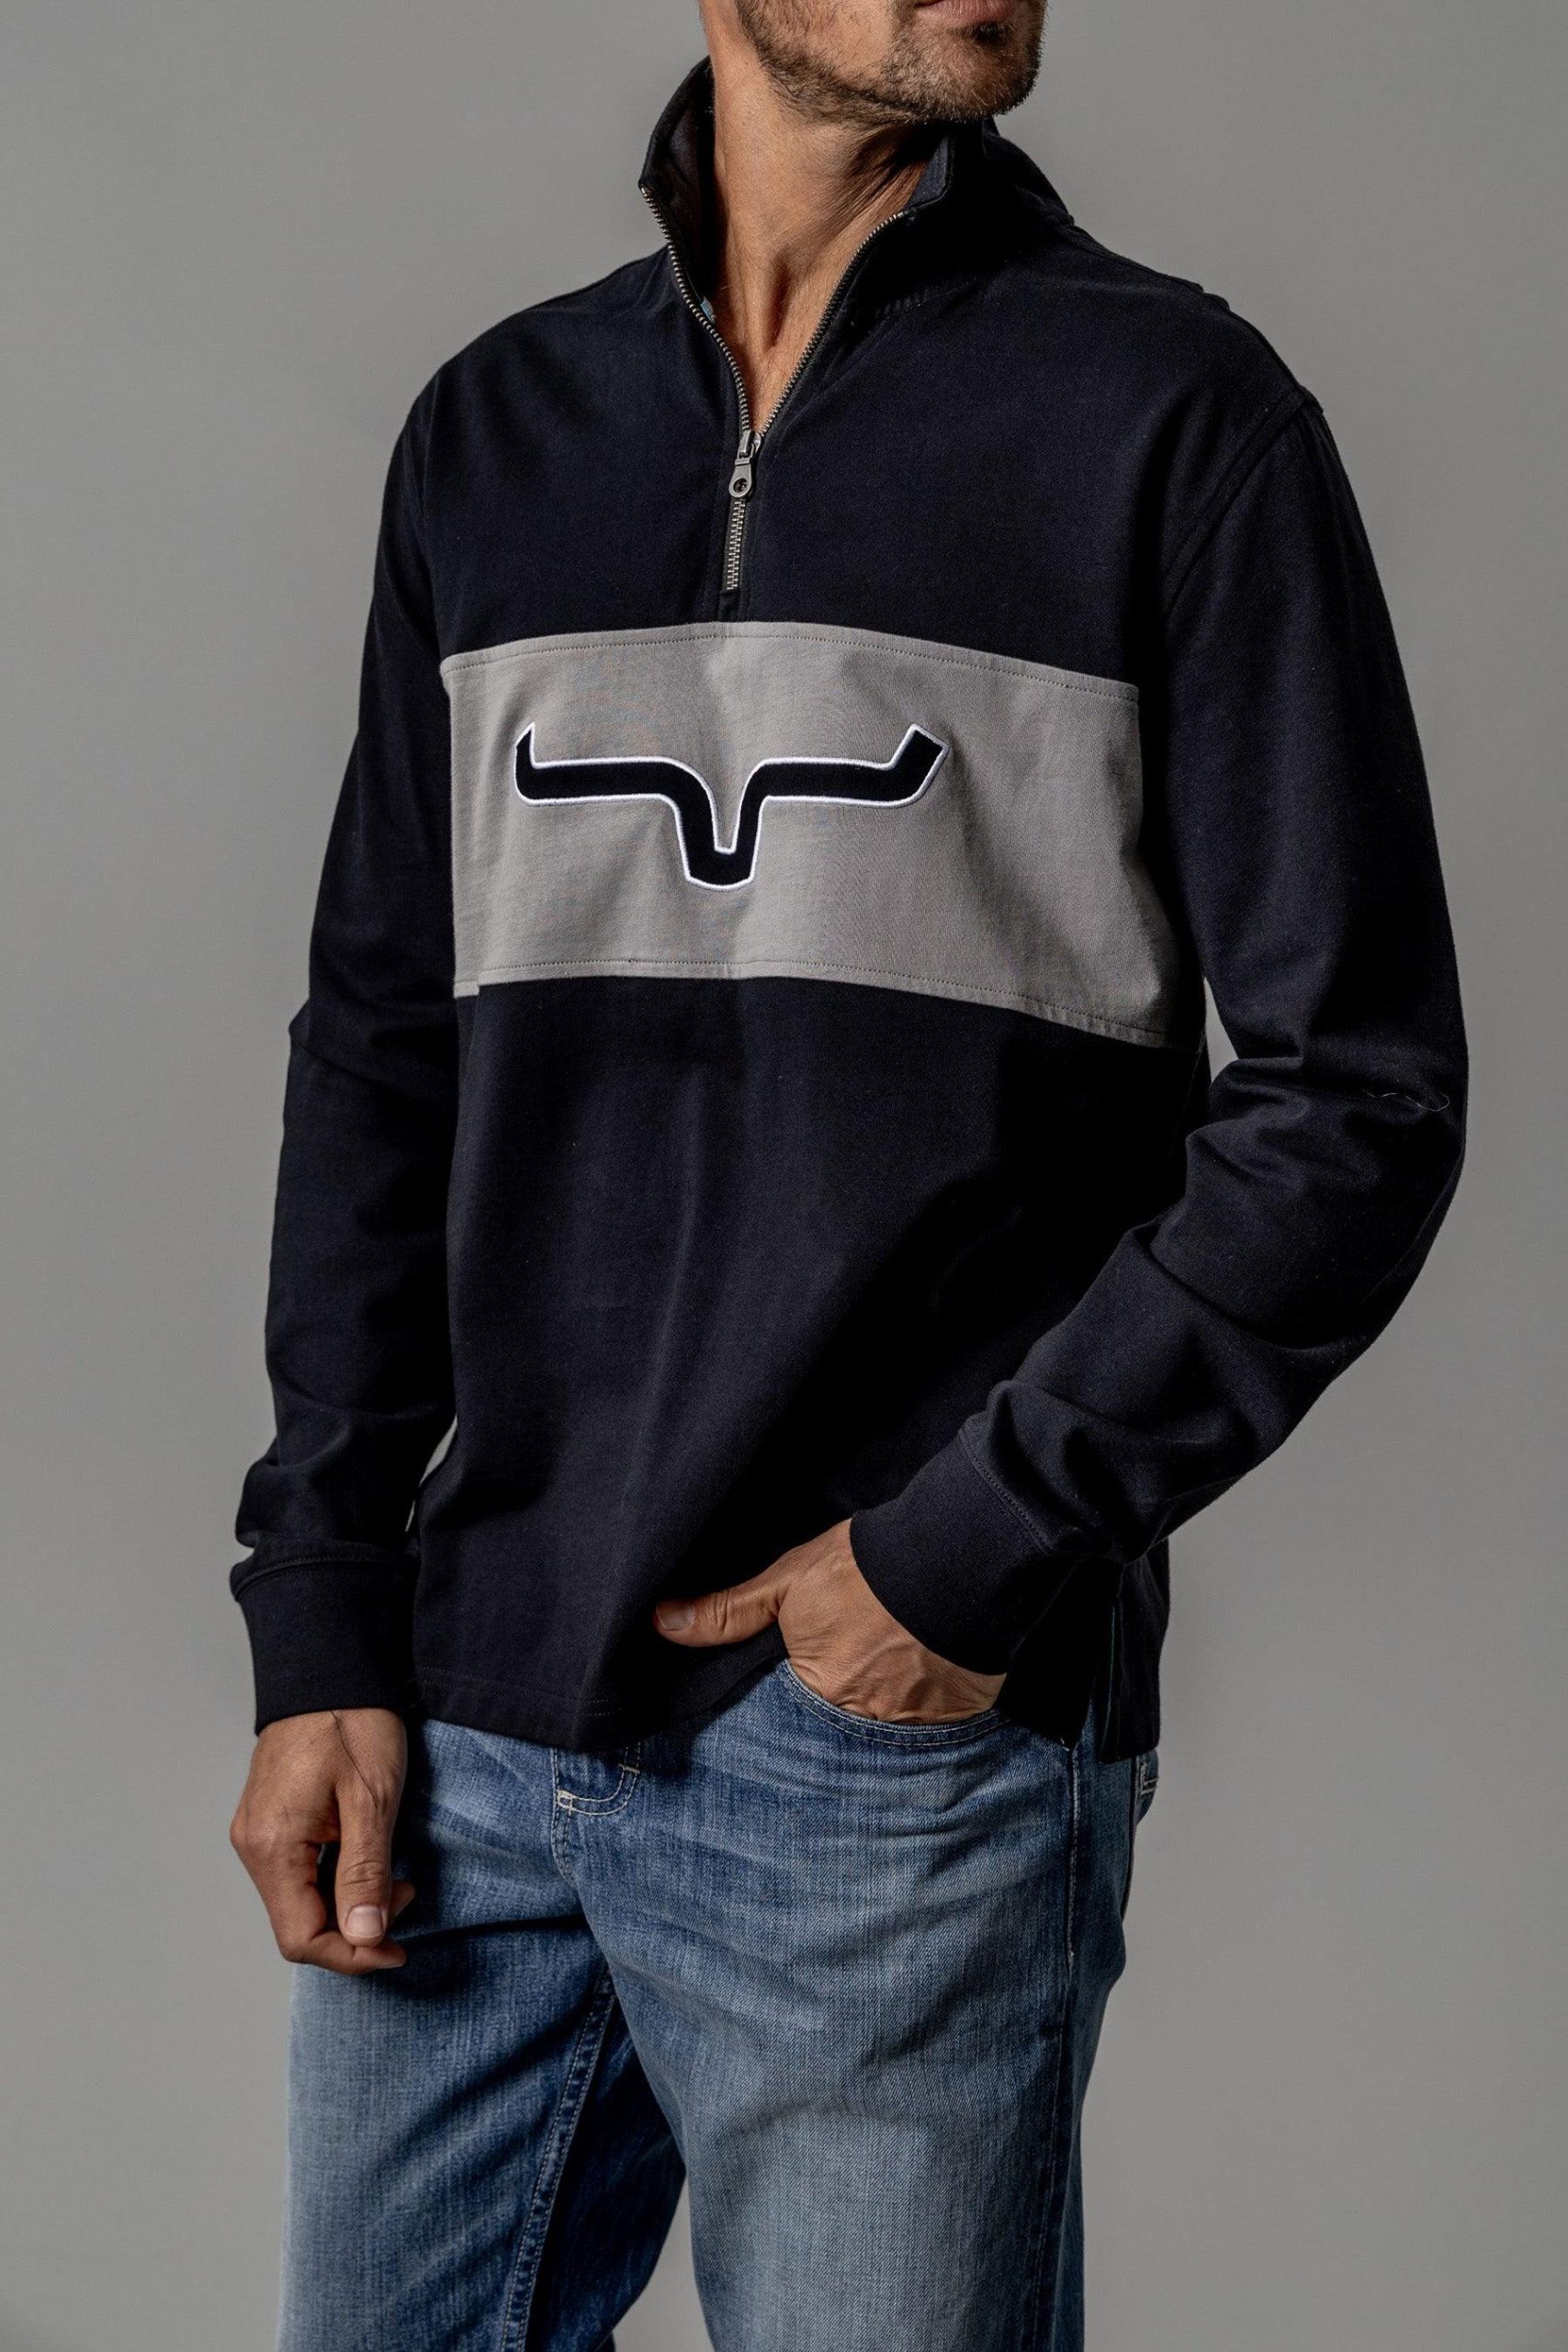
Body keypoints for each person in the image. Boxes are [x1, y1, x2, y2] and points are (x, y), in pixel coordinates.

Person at [227, 0, 1466, 2343]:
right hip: (469, 1712)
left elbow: (1357, 1096)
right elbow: (381, 1057)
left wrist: (964, 1552)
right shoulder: (496, 432)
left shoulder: (1170, 417)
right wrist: (321, 1619)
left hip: (882, 1741)